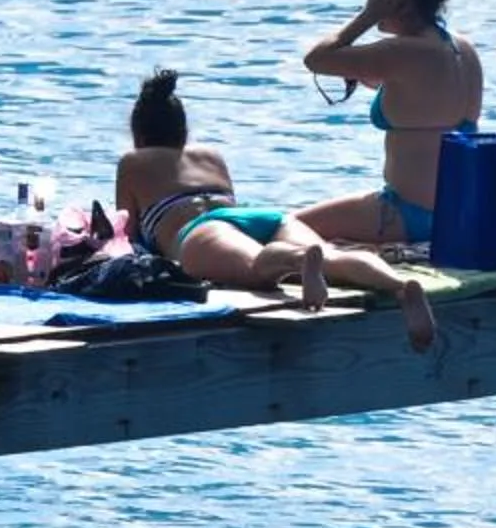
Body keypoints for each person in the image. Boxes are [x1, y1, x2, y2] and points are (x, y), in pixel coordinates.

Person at [117, 71, 438, 351]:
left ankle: (298, 261)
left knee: (258, 266)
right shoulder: (211, 155)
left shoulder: (132, 163)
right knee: (331, 256)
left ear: (139, 134)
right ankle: (398, 287)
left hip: (202, 230)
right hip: (258, 217)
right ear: (182, 130)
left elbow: (126, 236)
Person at [293, 0, 485, 248]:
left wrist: (366, 17)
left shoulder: (400, 51)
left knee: (285, 227)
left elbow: (315, 60)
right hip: (459, 212)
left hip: (408, 214)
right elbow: (412, 91)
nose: (370, 0)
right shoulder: (462, 48)